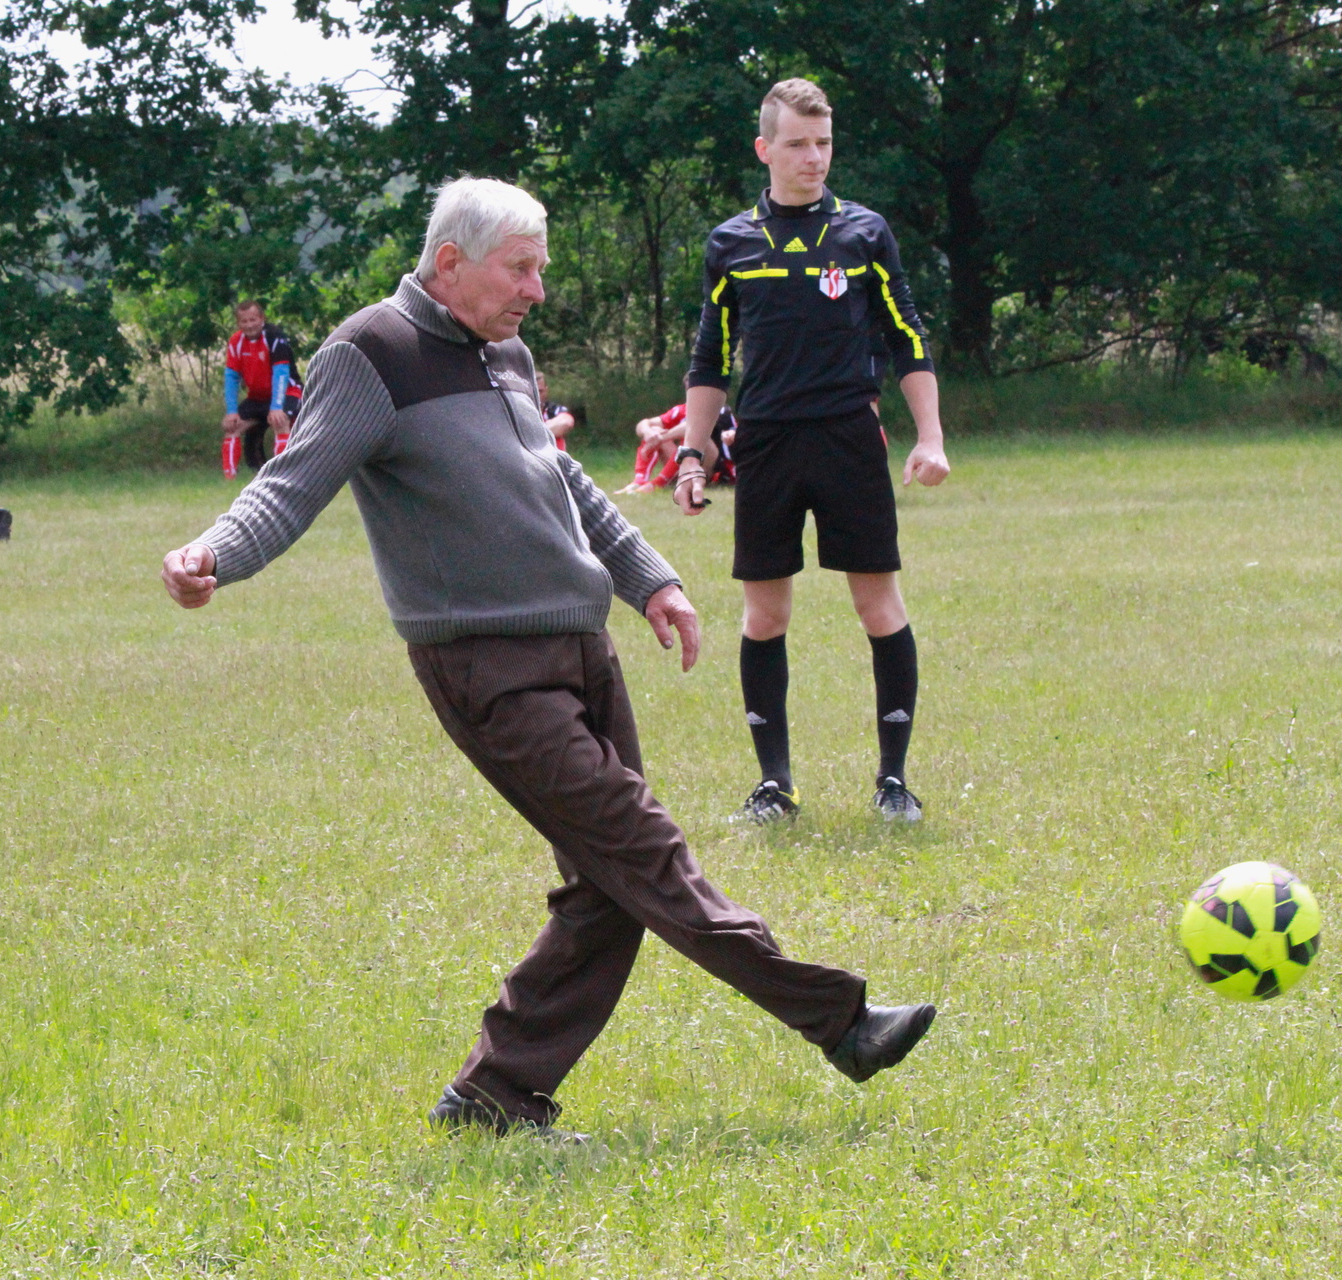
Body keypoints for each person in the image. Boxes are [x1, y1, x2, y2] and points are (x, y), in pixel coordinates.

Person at [162, 176, 935, 1138]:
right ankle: (842, 1022)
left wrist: (648, 577)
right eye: (521, 269)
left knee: (610, 891)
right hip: (487, 666)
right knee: (644, 850)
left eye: (541, 270)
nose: (536, 290)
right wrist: (214, 555)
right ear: (452, 263)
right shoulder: (371, 353)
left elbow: (557, 474)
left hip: (582, 648)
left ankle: (493, 1095)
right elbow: (292, 480)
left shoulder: (505, 351)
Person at [675, 78, 950, 825]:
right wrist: (694, 453)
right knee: (764, 617)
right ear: (764, 149)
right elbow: (709, 360)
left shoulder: (864, 234)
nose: (813, 157)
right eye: (797, 143)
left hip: (849, 439)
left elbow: (908, 337)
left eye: (823, 143)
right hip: (765, 443)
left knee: (878, 606)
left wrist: (930, 436)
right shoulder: (731, 244)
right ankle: (776, 786)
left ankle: (894, 782)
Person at [220, 300, 303, 478]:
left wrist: (276, 407)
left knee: (280, 421)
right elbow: (231, 377)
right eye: (244, 321)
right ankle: (229, 478)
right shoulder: (235, 341)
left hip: (288, 391)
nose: (249, 325)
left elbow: (281, 373)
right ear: (238, 323)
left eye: (253, 320)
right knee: (232, 427)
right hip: (257, 397)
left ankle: (282, 475)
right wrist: (231, 411)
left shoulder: (274, 336)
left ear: (262, 318)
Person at [619, 380, 735, 494]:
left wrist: (661, 437)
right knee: (653, 430)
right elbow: (643, 424)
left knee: (692, 435)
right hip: (686, 462)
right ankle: (639, 480)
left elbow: (692, 426)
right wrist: (648, 432)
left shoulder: (718, 409)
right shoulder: (681, 410)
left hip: (711, 466)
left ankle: (657, 483)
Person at [535, 371, 577, 450]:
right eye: (534, 392)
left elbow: (566, 422)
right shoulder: (519, 412)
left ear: (546, 390)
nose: (537, 396)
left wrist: (532, 434)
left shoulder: (554, 409)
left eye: (540, 391)